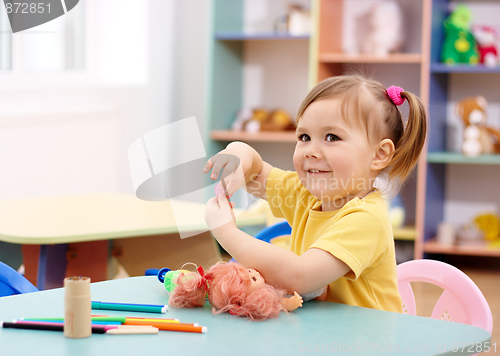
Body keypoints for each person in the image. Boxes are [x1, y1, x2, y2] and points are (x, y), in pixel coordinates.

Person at [202, 75, 427, 313]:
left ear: (379, 154)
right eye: (304, 137)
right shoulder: (306, 194)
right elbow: (255, 173)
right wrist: (238, 156)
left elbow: (300, 276)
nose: (310, 150)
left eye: (332, 137)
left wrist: (226, 232)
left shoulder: (366, 218)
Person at [167, 261, 303, 320]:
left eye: (249, 271)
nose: (256, 274)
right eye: (253, 279)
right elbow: (278, 302)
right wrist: (291, 303)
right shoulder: (259, 299)